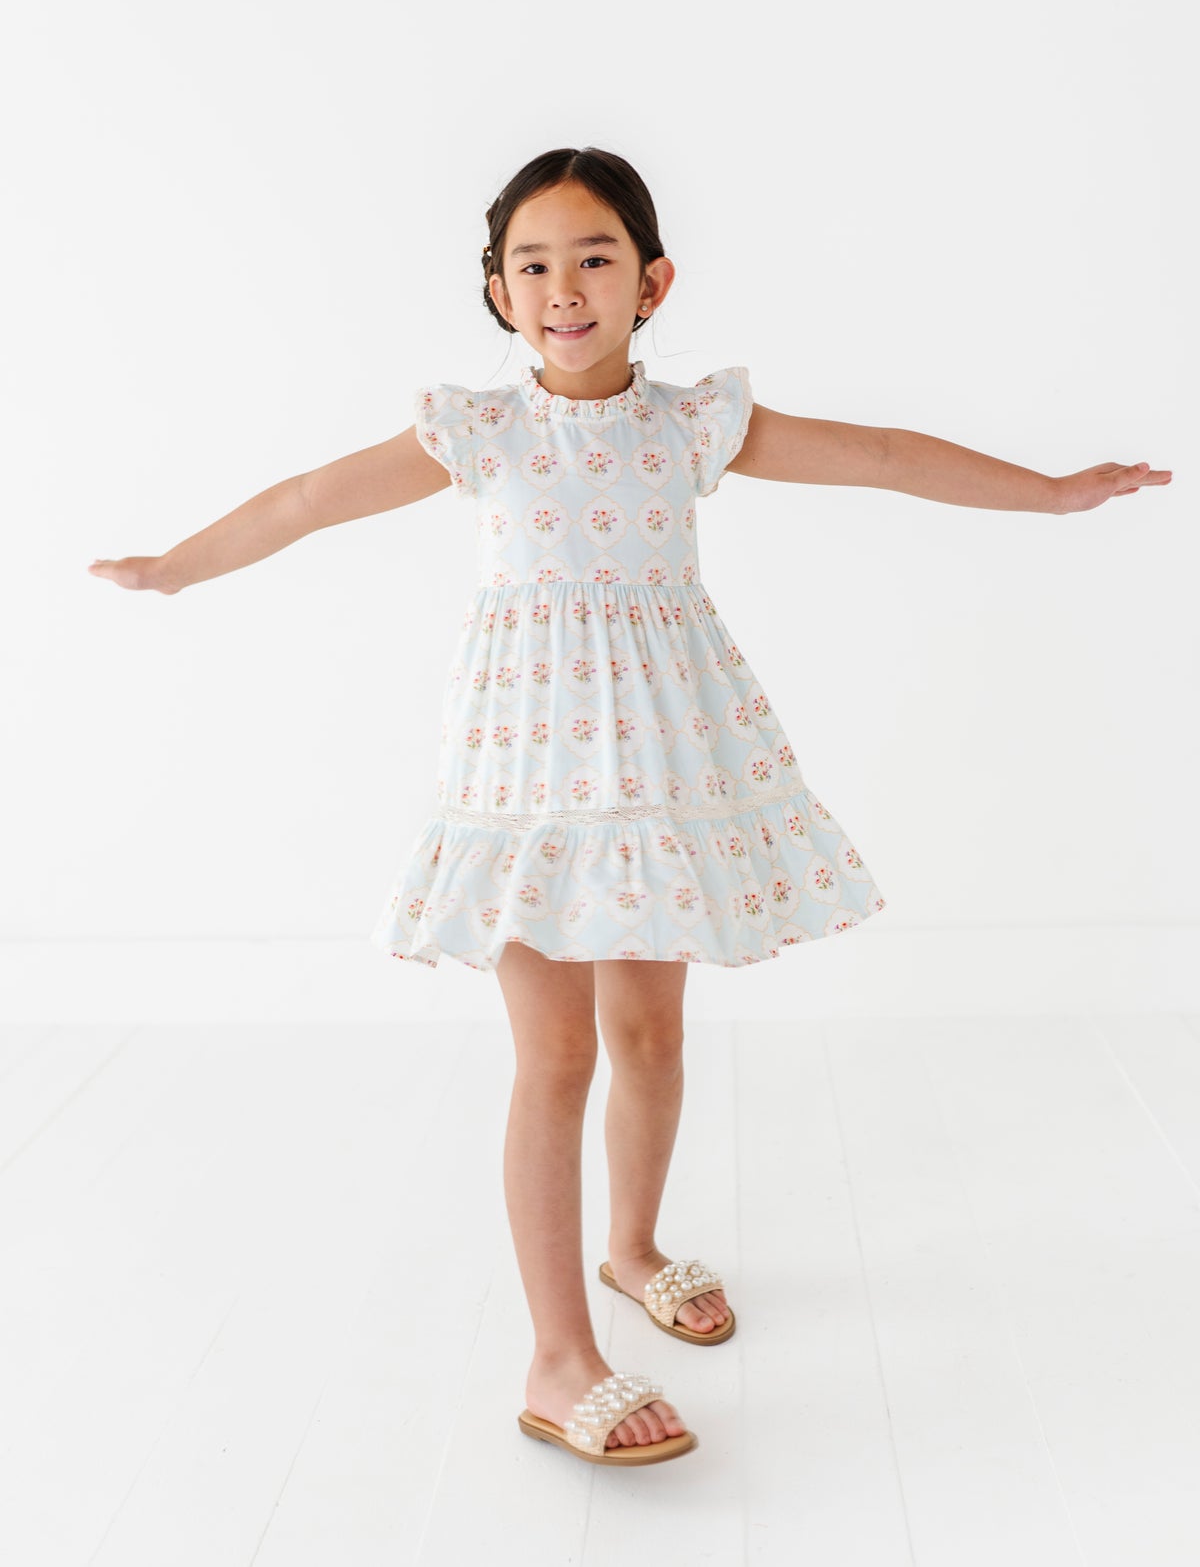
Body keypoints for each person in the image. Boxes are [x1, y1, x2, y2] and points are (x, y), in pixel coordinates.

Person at [88, 144, 1172, 1468]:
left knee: (651, 1037)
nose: (565, 287)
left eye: (594, 258)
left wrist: (1052, 492)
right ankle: (558, 1357)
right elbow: (311, 499)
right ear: (498, 292)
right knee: (555, 1058)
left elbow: (884, 455)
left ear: (652, 283)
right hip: (530, 776)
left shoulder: (692, 425)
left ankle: (635, 1248)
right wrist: (177, 568)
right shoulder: (479, 430)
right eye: (533, 264)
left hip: (658, 767)